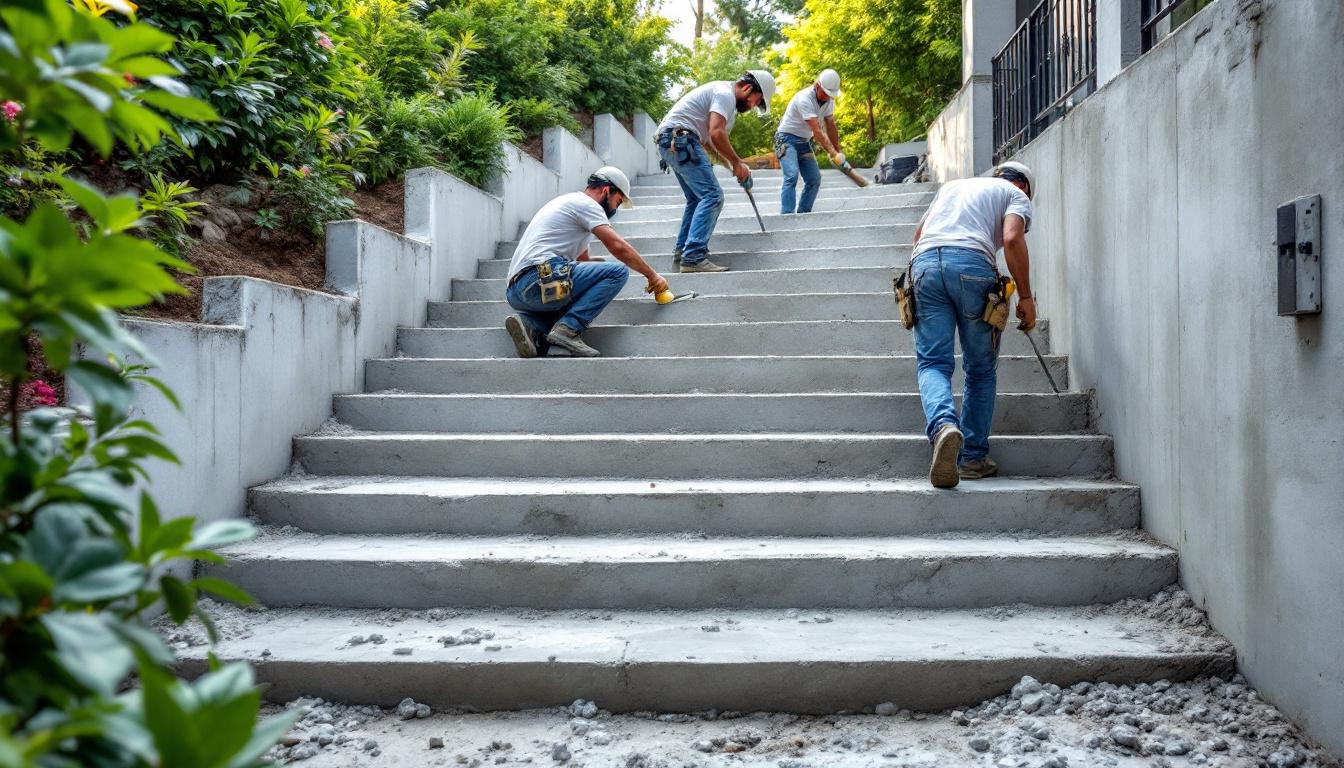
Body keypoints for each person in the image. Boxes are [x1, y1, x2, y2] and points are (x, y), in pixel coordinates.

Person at [909, 161, 1037, 488]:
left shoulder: (952, 188)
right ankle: (972, 458)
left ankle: (943, 426)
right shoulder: (1016, 195)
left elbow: (918, 236)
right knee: (980, 370)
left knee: (932, 363)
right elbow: (1012, 238)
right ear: (1023, 185)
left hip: (924, 265)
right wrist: (1025, 297)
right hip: (972, 266)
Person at [503, 166, 669, 358]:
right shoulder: (589, 205)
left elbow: (580, 257)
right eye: (617, 201)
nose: (615, 209)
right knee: (618, 272)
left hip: (518, 291)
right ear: (606, 190)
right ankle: (568, 330)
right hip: (539, 278)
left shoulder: (569, 202)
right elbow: (617, 246)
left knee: (577, 297)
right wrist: (652, 276)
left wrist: (591, 262)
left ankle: (529, 324)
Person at [655, 69, 776, 273]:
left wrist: (733, 166)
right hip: (682, 139)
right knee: (712, 196)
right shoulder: (725, 93)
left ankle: (683, 250)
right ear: (748, 88)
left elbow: (709, 143)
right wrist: (737, 163)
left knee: (696, 198)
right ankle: (693, 257)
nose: (753, 106)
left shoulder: (724, 102)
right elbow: (716, 133)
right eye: (757, 101)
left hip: (671, 141)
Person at [774, 69, 844, 215]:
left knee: (814, 179)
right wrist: (832, 152)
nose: (828, 97)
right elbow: (817, 131)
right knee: (792, 175)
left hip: (803, 142)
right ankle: (787, 216)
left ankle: (804, 215)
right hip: (786, 139)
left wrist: (838, 152)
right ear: (817, 85)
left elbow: (831, 126)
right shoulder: (804, 98)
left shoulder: (829, 101)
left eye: (830, 95)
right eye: (826, 93)